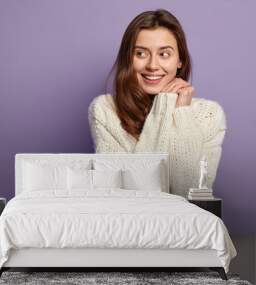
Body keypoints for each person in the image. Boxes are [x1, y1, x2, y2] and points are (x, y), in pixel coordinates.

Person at [88, 9, 226, 197]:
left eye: (164, 54)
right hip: (128, 222)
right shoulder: (105, 110)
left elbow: (190, 192)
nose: (153, 65)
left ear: (180, 61)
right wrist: (164, 106)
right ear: (128, 59)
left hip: (186, 224)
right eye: (141, 54)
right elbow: (131, 192)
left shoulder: (210, 114)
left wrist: (181, 113)